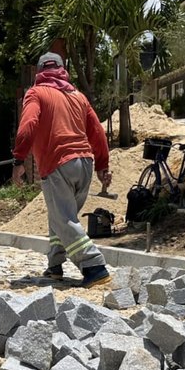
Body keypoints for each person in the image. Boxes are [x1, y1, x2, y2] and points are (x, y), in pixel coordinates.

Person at [11, 52, 112, 288]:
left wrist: (18, 161)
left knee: (64, 220)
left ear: (39, 73)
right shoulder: (78, 96)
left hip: (58, 165)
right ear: (63, 69)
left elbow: (27, 126)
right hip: (85, 164)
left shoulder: (36, 93)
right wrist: (103, 165)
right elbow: (97, 131)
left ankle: (94, 266)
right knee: (59, 216)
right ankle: (55, 265)